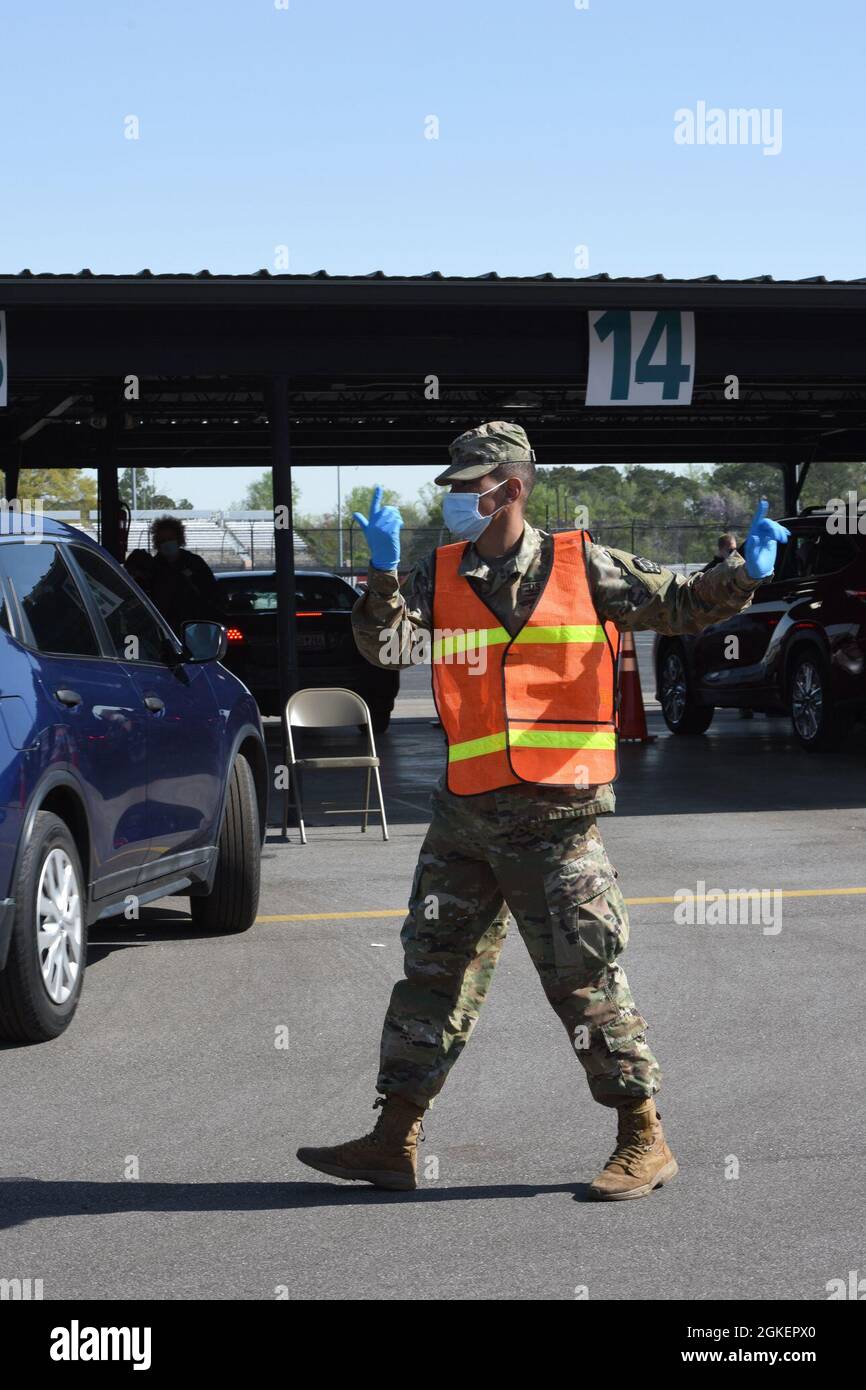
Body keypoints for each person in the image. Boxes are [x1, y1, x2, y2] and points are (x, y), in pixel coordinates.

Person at [296, 422, 789, 1199]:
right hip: (464, 814)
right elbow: (388, 651)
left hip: (554, 817)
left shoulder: (582, 563)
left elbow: (682, 605)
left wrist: (741, 576)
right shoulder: (439, 572)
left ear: (511, 488)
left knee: (585, 979)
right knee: (431, 971)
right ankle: (393, 1139)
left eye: (469, 486)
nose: (457, 499)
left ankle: (643, 1138)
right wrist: (383, 577)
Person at [144, 515, 221, 636]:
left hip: (196, 626)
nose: (167, 543)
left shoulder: (195, 563)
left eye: (170, 538)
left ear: (179, 539)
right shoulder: (152, 567)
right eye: (163, 540)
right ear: (157, 543)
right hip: (164, 628)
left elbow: (211, 592)